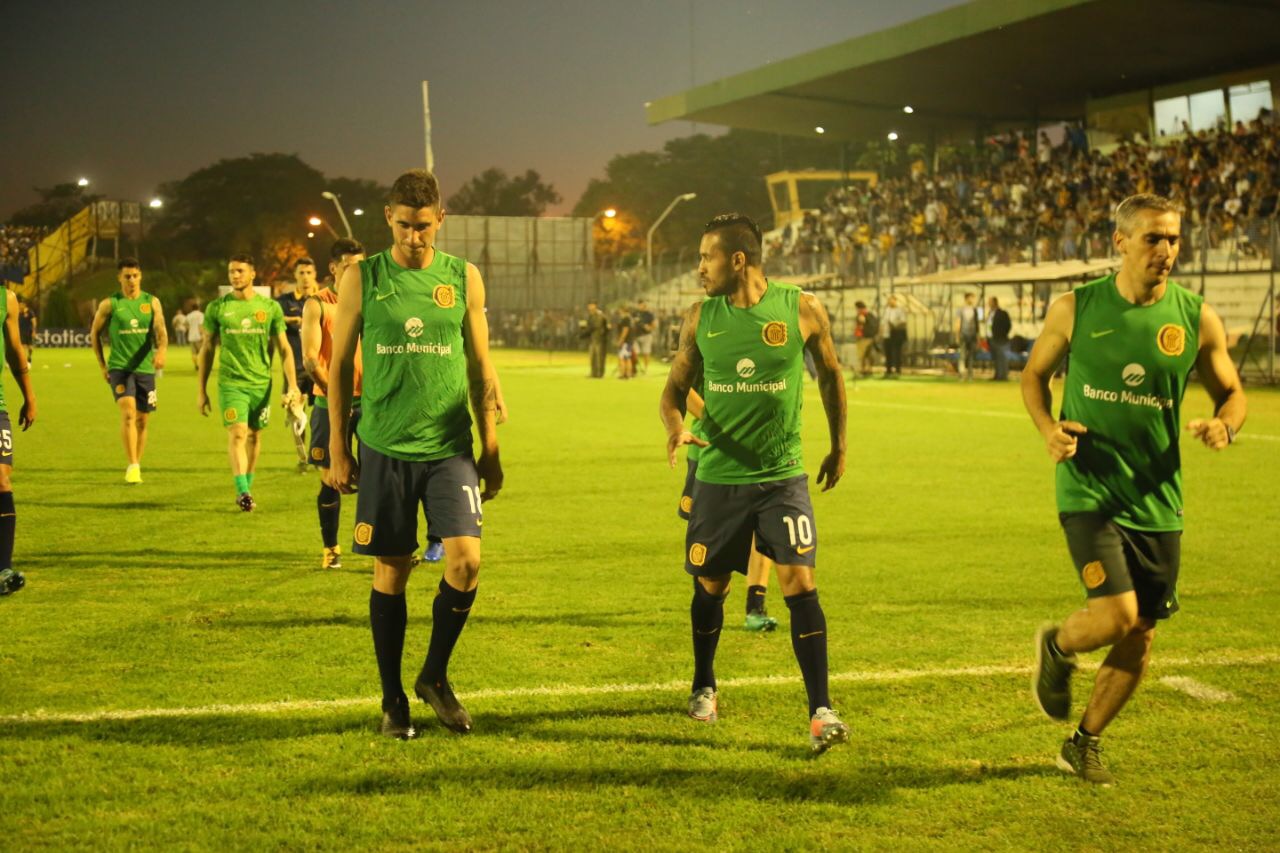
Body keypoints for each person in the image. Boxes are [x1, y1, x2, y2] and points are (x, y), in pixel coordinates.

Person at [1023, 193, 1247, 786]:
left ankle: (1085, 741)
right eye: (1153, 238)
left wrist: (1226, 423)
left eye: (1173, 239)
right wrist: (1049, 429)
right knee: (1118, 614)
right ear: (1119, 242)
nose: (1166, 251)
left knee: (1142, 632)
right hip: (1088, 489)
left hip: (1158, 498)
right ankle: (1059, 646)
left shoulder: (1196, 318)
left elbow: (1233, 391)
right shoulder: (1077, 307)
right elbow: (1034, 375)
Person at [660, 213, 850, 754]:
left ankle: (821, 709)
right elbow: (672, 393)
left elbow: (832, 374)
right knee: (712, 586)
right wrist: (676, 429)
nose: (699, 268)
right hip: (719, 479)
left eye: (706, 257)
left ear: (737, 260)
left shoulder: (801, 309)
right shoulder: (701, 319)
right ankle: (703, 683)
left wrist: (839, 445)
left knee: (801, 583)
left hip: (781, 477)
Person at [326, 169, 503, 740]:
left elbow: (481, 367)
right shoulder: (363, 277)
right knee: (392, 570)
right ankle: (391, 698)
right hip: (383, 446)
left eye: (423, 226)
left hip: (450, 446)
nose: (413, 236)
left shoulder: (463, 278)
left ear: (440, 219)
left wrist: (492, 445)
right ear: (388, 219)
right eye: (403, 225)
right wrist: (338, 447)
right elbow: (337, 368)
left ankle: (433, 677)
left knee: (467, 562)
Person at [197, 254, 301, 511]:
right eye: (232, 271)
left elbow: (284, 348)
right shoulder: (218, 308)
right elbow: (207, 348)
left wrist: (293, 385)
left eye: (240, 271)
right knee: (238, 433)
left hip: (261, 384)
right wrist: (201, 390)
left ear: (252, 274)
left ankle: (248, 485)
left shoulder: (269, 308)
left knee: (255, 435)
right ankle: (242, 491)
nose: (235, 276)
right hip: (231, 383)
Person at [678, 386, 778, 633]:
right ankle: (705, 602)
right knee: (707, 537)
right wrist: (722, 429)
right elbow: (680, 388)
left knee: (762, 525)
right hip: (709, 449)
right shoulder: (699, 346)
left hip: (758, 450)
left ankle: (756, 607)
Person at [301, 239, 366, 569]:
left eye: (359, 266)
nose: (354, 272)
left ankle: (379, 547)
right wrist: (335, 393)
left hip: (369, 404)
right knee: (332, 479)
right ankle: (331, 548)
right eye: (348, 266)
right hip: (329, 406)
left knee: (377, 477)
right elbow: (311, 359)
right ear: (333, 268)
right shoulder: (318, 305)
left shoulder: (372, 303)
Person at [88, 258, 168, 484]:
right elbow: (94, 334)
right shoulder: (110, 304)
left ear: (140, 276)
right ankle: (132, 465)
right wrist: (103, 365)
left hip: (145, 369)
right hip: (119, 368)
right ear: (119, 278)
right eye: (127, 276)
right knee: (128, 413)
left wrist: (161, 351)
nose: (131, 280)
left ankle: (137, 463)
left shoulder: (152, 302)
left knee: (143, 420)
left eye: (135, 276)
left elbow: (161, 331)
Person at [0, 285, 36, 597]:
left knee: (2, 480)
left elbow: (14, 349)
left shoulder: (6, 299)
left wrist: (29, 395)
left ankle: (3, 569)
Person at [278, 258, 319, 472]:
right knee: (296, 414)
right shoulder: (284, 301)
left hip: (319, 367)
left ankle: (319, 454)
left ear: (315, 275)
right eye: (301, 272)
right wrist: (291, 320)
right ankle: (302, 456)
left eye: (309, 272)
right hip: (294, 367)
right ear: (295, 276)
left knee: (321, 414)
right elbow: (274, 319)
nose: (305, 277)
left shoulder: (321, 299)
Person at [954, 291, 982, 381]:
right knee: (962, 355)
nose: (972, 300)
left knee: (971, 355)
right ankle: (962, 374)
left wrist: (978, 336)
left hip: (972, 335)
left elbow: (977, 324)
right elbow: (958, 322)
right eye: (971, 298)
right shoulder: (961, 310)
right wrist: (957, 335)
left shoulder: (975, 310)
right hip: (963, 335)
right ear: (966, 299)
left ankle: (970, 375)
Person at [882, 293, 907, 378]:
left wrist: (894, 325)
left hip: (896, 335)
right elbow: (884, 322)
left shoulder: (899, 310)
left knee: (897, 353)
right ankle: (888, 371)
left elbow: (903, 322)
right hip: (887, 334)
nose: (889, 302)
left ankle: (897, 370)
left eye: (891, 300)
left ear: (895, 301)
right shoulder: (887, 310)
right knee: (888, 353)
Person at [583, 301, 609, 378]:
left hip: (599, 339)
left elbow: (596, 326)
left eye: (591, 305)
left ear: (595, 306)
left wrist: (585, 332)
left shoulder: (599, 315)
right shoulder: (590, 315)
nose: (589, 307)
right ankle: (593, 373)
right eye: (589, 305)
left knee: (599, 357)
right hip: (592, 339)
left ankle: (599, 374)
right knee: (592, 357)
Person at [988, 296, 1012, 381]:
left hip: (1001, 339)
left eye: (990, 302)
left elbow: (1008, 325)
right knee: (996, 358)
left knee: (1003, 358)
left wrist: (1002, 334)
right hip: (992, 339)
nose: (988, 304)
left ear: (995, 302)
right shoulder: (990, 313)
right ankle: (997, 375)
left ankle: (1004, 376)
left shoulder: (1002, 313)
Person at [853, 300, 879, 377]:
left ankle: (864, 371)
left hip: (863, 338)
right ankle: (869, 370)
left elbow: (862, 325)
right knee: (868, 355)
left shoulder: (862, 315)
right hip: (870, 338)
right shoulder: (871, 315)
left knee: (862, 356)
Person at [634, 299, 656, 374]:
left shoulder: (649, 314)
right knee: (635, 352)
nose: (642, 306)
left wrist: (649, 327)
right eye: (640, 305)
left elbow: (654, 325)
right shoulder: (635, 313)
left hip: (646, 335)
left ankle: (646, 369)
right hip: (636, 336)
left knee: (646, 352)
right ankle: (635, 367)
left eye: (644, 305)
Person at [616, 304, 634, 379]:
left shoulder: (625, 319)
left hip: (625, 342)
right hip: (629, 341)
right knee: (627, 357)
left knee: (622, 358)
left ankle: (623, 374)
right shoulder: (630, 318)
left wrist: (621, 340)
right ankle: (628, 374)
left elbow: (625, 330)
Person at [185, 301, 205, 369]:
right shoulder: (200, 315)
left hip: (191, 337)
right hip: (198, 336)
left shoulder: (189, 315)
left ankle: (196, 365)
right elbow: (200, 325)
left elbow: (186, 325)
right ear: (198, 308)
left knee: (194, 353)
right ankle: (202, 365)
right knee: (201, 352)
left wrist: (189, 330)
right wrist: (202, 334)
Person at [16, 300, 36, 365]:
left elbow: (34, 321)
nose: (19, 306)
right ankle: (24, 362)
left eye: (20, 304)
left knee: (30, 348)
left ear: (24, 305)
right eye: (19, 304)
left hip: (29, 332)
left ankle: (29, 357)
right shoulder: (17, 312)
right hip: (21, 332)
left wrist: (34, 331)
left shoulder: (30, 312)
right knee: (23, 347)